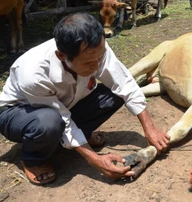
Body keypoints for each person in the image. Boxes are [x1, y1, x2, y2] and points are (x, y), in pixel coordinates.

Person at [0, 12, 170, 185]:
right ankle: (32, 160)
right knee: (48, 121)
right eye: (88, 62)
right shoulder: (33, 73)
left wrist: (150, 128)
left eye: (99, 58)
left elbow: (124, 82)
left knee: (115, 93)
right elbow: (62, 118)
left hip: (64, 106)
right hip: (19, 114)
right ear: (61, 56)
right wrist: (94, 159)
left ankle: (81, 134)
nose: (96, 66)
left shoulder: (95, 46)